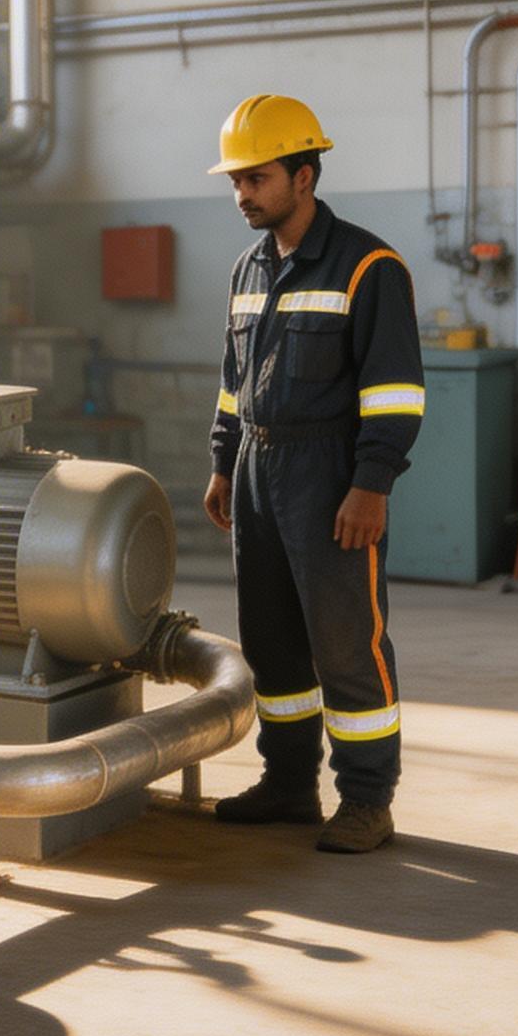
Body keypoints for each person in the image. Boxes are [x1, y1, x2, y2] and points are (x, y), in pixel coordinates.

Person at [202, 95, 424, 854]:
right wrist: (223, 460)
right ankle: (290, 783)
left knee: (346, 642)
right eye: (236, 180)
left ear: (304, 175)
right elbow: (235, 378)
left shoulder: (369, 266)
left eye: (256, 178)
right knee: (272, 643)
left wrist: (372, 484)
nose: (242, 195)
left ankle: (366, 799)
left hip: (329, 474)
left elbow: (394, 391)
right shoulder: (247, 268)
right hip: (259, 467)